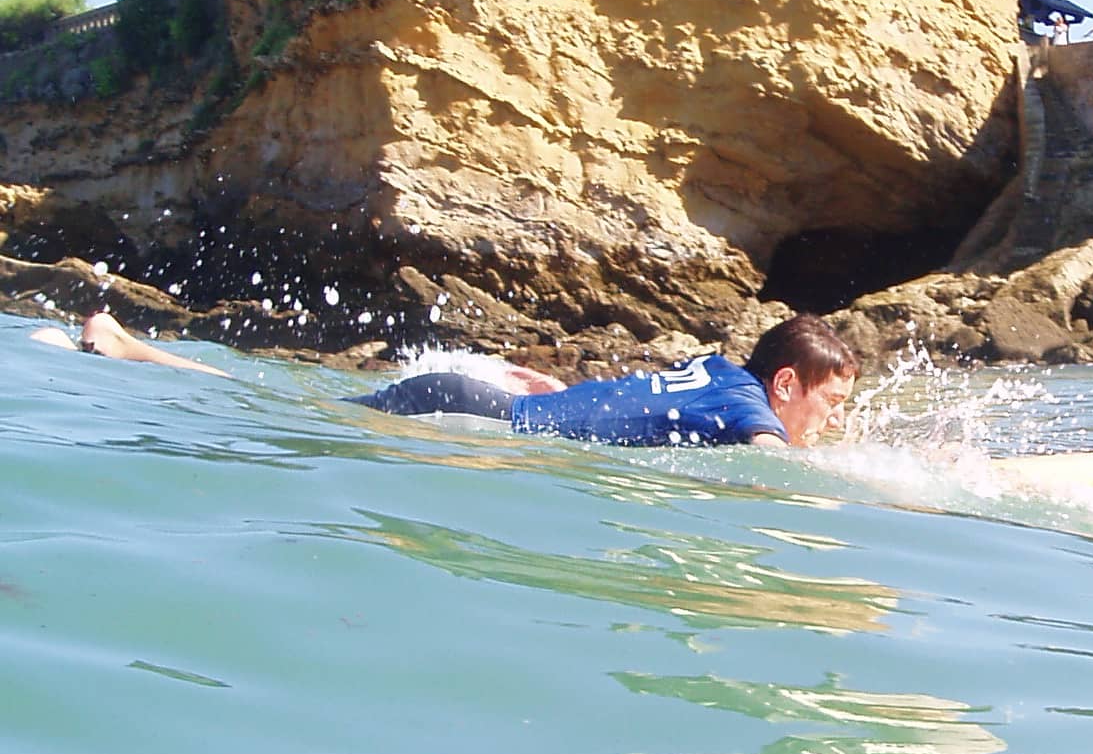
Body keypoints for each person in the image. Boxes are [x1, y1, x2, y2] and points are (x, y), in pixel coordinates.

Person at [72, 307, 857, 452]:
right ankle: (123, 346)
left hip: (486, 400)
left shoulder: (724, 375)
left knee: (297, 403)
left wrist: (553, 393)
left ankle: (129, 346)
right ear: (786, 384)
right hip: (474, 413)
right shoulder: (751, 408)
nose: (834, 420)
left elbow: (633, 402)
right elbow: (778, 475)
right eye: (831, 402)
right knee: (273, 407)